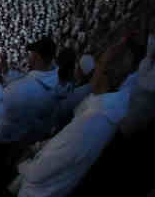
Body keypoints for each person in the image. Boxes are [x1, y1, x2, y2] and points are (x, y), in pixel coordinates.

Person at [13, 43, 134, 197]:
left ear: (106, 72)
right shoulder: (102, 107)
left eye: (99, 63)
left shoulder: (93, 122)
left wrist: (22, 164)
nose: (94, 70)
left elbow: (40, 172)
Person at [0, 36, 61, 145]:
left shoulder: (20, 90)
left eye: (31, 55)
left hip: (6, 139)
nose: (29, 58)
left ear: (37, 58)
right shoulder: (57, 78)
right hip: (27, 133)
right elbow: (25, 79)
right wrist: (6, 72)